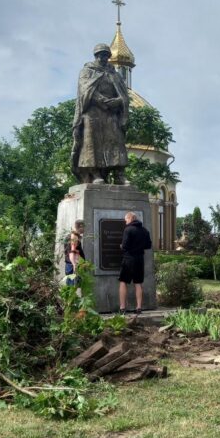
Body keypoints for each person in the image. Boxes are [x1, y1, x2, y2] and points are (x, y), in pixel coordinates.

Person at [72, 43, 130, 184]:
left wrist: (118, 101)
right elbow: (85, 90)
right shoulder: (87, 71)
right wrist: (102, 100)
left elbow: (123, 93)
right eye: (101, 55)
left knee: (116, 142)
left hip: (111, 113)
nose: (103, 58)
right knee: (92, 142)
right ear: (96, 56)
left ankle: (119, 174)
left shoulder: (113, 74)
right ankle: (95, 173)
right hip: (93, 112)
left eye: (106, 55)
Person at [118, 211, 152, 314]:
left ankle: (123, 308)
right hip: (139, 259)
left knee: (123, 282)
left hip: (128, 259)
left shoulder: (128, 229)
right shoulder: (145, 230)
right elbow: (148, 246)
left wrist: (121, 246)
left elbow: (125, 246)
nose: (125, 222)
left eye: (126, 220)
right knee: (138, 283)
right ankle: (138, 308)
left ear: (131, 218)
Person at [63, 220, 86, 285]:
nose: (84, 229)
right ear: (80, 227)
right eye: (84, 227)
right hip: (72, 265)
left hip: (73, 264)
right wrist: (74, 265)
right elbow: (72, 252)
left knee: (73, 286)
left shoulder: (73, 236)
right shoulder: (74, 237)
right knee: (71, 287)